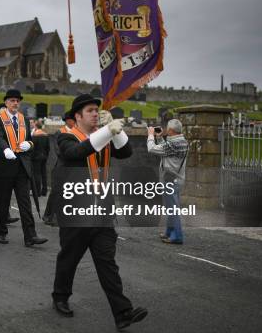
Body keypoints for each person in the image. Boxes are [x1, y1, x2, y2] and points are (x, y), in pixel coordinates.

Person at [50, 94, 147, 330]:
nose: (96, 114)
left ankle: (123, 312)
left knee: (107, 263)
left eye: (97, 110)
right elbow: (76, 153)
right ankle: (60, 296)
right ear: (78, 116)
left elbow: (126, 153)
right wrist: (106, 132)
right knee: (69, 259)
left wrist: (116, 130)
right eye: (91, 111)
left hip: (102, 212)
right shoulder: (65, 137)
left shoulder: (103, 137)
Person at [0, 89, 47, 247]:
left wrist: (28, 144)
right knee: (3, 201)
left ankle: (30, 236)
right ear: (6, 102)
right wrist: (5, 149)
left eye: (17, 101)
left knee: (25, 203)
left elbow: (30, 140)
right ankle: (2, 231)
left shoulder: (24, 119)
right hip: (5, 165)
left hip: (22, 167)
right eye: (12, 101)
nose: (15, 103)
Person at [147, 119, 188, 244]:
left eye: (167, 129)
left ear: (170, 130)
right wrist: (159, 138)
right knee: (171, 207)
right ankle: (169, 232)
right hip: (176, 178)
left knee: (173, 209)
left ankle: (177, 236)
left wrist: (150, 135)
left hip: (171, 180)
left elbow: (152, 149)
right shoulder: (182, 142)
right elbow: (166, 152)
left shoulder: (173, 144)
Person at [31, 119, 50, 196]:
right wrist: (46, 155)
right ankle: (44, 191)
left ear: (36, 126)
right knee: (44, 173)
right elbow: (48, 148)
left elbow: (33, 148)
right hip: (44, 157)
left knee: (37, 174)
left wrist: (32, 157)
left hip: (36, 158)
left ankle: (37, 192)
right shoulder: (45, 135)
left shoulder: (35, 136)